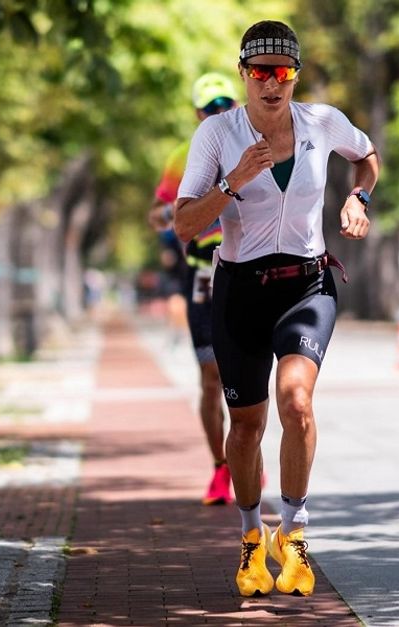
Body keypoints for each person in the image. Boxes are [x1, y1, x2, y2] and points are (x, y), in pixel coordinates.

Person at [174, 20, 379, 598]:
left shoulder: (322, 121)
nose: (272, 84)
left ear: (295, 75)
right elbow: (185, 225)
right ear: (244, 74)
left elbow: (366, 156)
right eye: (260, 72)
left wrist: (358, 197)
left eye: (283, 72)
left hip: (307, 285)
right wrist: (233, 183)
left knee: (298, 401)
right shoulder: (217, 135)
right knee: (246, 427)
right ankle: (249, 538)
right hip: (240, 289)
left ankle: (294, 537)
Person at [148, 72, 240, 506]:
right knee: (210, 377)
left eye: (226, 104)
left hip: (247, 269)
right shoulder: (182, 156)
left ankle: (247, 467)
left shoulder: (258, 148)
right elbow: (157, 212)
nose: (219, 113)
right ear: (197, 113)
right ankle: (220, 469)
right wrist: (173, 217)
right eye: (210, 107)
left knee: (250, 376)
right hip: (203, 272)